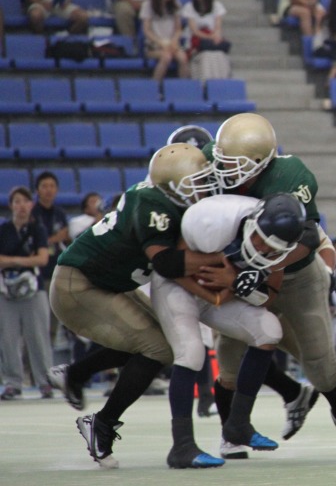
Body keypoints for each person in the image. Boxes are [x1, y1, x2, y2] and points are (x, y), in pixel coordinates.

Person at [204, 114, 336, 453]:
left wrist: (262, 271)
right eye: (222, 161)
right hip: (244, 270)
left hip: (297, 275)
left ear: (262, 161)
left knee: (321, 364)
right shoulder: (213, 162)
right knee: (229, 359)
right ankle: (232, 434)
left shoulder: (288, 176)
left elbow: (310, 237)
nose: (225, 170)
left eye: (235, 164)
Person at [50, 144, 223, 468]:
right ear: (173, 183)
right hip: (78, 285)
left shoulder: (163, 196)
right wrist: (218, 261)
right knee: (157, 348)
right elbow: (166, 262)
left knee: (162, 344)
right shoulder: (152, 202)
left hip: (107, 283)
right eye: (196, 181)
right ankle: (101, 423)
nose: (202, 187)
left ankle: (76, 374)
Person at [152, 193, 311, 468]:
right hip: (177, 286)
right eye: (260, 238)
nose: (261, 248)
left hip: (217, 293)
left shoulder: (281, 250)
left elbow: (266, 297)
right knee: (191, 352)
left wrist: (232, 284)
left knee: (269, 329)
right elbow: (171, 266)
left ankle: (238, 423)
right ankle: (182, 445)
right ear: (254, 222)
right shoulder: (211, 220)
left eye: (272, 248)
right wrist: (215, 294)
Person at [0, 186, 51, 400]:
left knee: (38, 337)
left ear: (31, 204)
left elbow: (42, 259)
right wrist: (24, 260)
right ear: (11, 205)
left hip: (33, 289)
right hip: (6, 291)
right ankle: (12, 383)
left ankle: (45, 381)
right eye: (17, 201)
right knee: (8, 338)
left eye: (25, 201)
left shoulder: (37, 229)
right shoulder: (3, 230)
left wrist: (11, 260)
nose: (21, 206)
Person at [182, 0, 230, 80]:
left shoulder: (217, 6)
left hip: (212, 41)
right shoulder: (189, 7)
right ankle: (204, 82)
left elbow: (218, 27)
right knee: (206, 56)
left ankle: (220, 82)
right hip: (195, 43)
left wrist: (215, 36)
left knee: (219, 55)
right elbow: (194, 30)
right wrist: (209, 37)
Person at [141, 0, 189, 81]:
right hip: (154, 44)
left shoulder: (175, 3)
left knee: (183, 58)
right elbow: (147, 30)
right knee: (166, 57)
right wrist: (161, 42)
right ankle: (155, 84)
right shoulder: (147, 6)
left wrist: (174, 41)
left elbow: (178, 28)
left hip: (172, 43)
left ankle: (183, 85)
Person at [31, 171, 68, 290]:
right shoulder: (31, 213)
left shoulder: (60, 213)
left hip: (57, 266)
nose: (49, 190)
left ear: (57, 189)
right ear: (37, 190)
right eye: (44, 186)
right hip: (38, 270)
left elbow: (65, 236)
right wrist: (53, 239)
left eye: (52, 186)